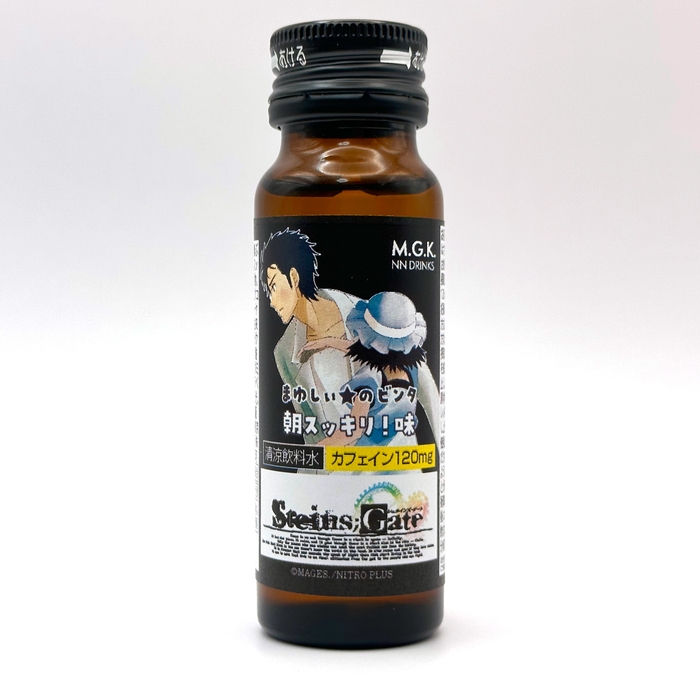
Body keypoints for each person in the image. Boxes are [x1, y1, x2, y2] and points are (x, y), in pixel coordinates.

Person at [260, 228, 360, 444]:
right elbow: (310, 430)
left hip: (393, 457)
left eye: (274, 286)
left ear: (294, 277)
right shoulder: (284, 353)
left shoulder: (365, 314)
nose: (271, 301)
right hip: (330, 460)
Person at [318, 291, 440, 447]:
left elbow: (353, 432)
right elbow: (435, 408)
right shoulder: (413, 367)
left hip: (365, 457)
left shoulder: (369, 379)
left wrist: (313, 450)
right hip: (403, 453)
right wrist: (328, 342)